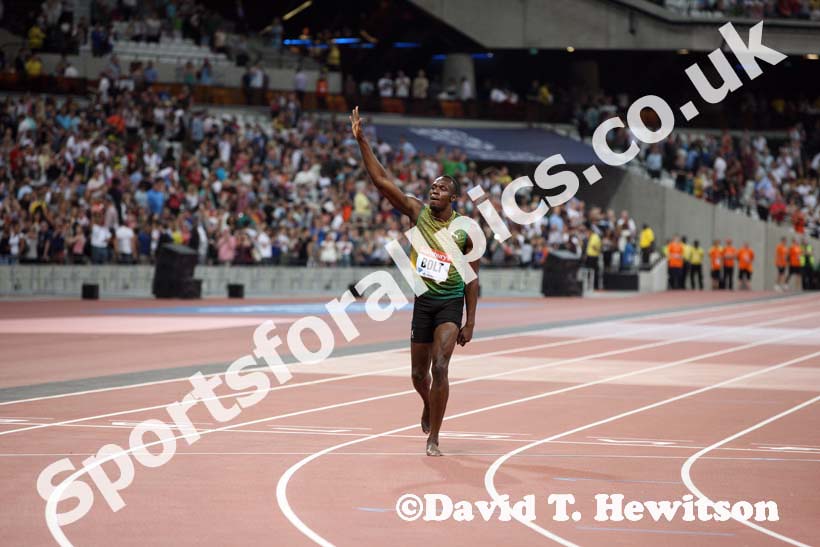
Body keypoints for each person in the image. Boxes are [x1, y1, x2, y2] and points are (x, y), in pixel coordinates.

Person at [351, 106, 479, 457]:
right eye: (433, 187)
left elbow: (472, 278)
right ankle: (427, 403)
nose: (434, 191)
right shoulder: (416, 212)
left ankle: (434, 437)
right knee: (416, 375)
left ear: (453, 198)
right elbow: (381, 181)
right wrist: (362, 141)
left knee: (441, 366)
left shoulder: (467, 230)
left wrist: (471, 320)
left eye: (441, 189)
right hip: (423, 303)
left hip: (450, 304)